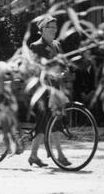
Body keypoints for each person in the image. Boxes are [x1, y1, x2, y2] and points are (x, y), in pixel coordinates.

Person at [26, 17, 72, 168]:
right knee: (48, 122)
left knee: (49, 122)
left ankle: (34, 155)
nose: (53, 30)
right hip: (42, 90)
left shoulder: (57, 45)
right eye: (50, 27)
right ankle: (59, 155)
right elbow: (34, 69)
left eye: (54, 27)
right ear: (42, 30)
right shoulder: (36, 46)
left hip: (55, 89)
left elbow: (63, 64)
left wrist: (64, 71)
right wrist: (48, 74)